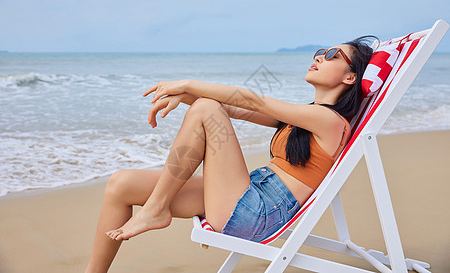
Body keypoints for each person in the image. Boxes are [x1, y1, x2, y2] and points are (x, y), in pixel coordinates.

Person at [85, 37, 375, 272]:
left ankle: (155, 209)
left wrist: (185, 85)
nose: (319, 57)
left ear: (350, 77)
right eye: (320, 52)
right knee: (120, 183)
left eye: (333, 55)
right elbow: (231, 106)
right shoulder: (303, 116)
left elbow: (250, 98)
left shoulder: (331, 122)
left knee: (205, 109)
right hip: (250, 193)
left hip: (258, 213)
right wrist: (183, 97)